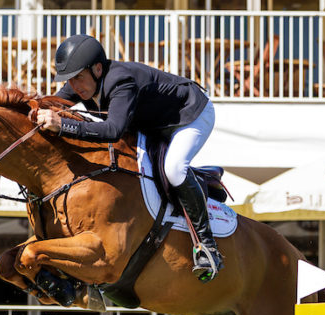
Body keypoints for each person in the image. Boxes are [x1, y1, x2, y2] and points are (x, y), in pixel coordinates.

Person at [35, 34, 224, 283]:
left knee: (174, 169)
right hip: (153, 122)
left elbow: (113, 131)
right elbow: (53, 104)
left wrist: (63, 126)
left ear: (98, 69)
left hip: (189, 117)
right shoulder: (81, 81)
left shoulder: (121, 81)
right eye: (70, 79)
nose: (74, 85)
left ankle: (207, 246)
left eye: (78, 77)